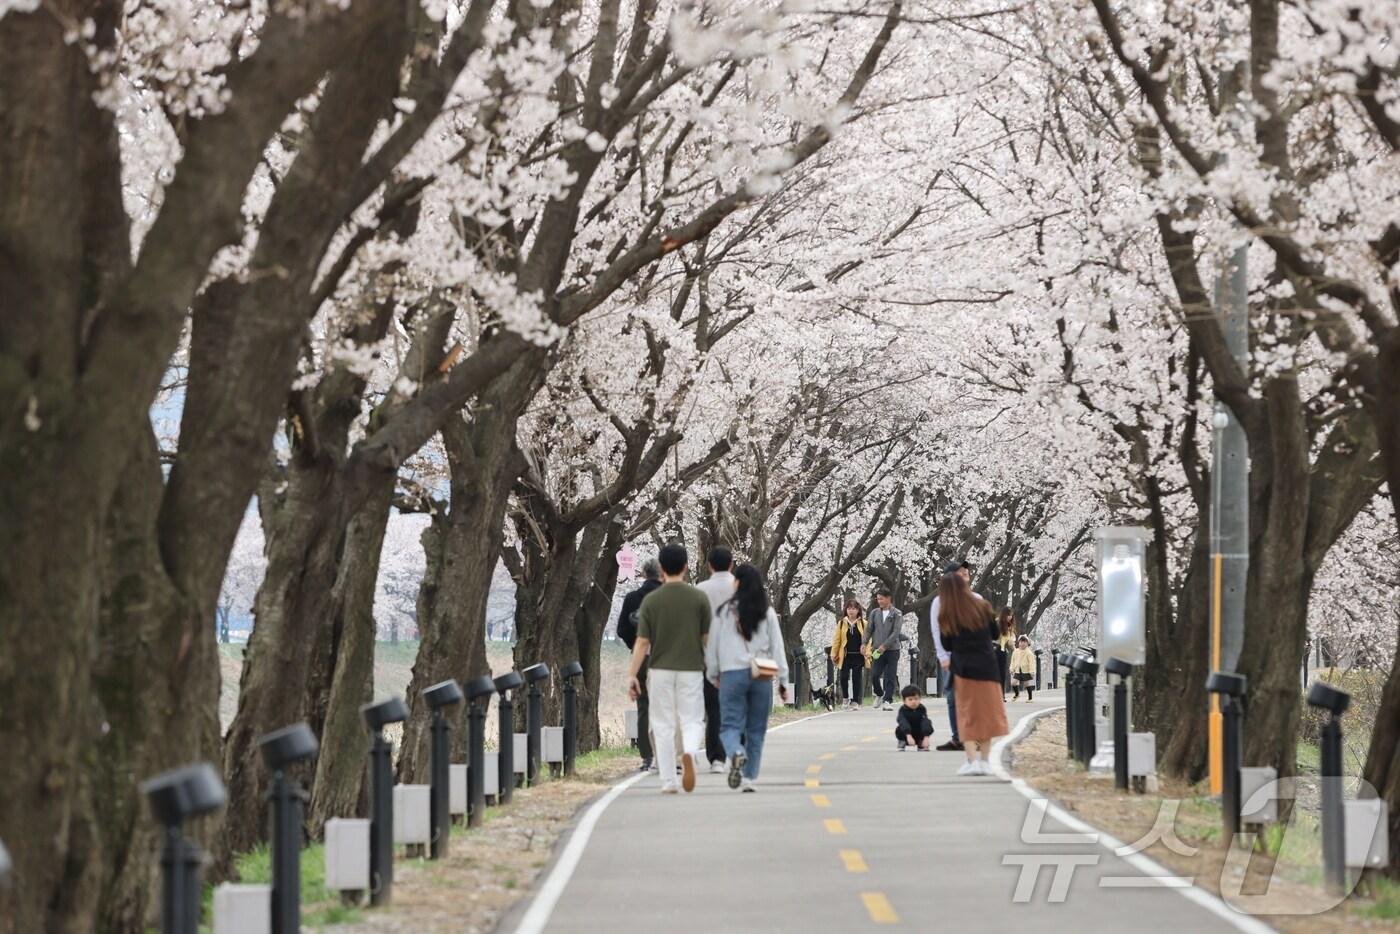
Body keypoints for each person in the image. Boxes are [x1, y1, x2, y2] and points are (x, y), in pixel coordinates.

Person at [627, 543, 711, 794]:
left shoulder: (652, 601)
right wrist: (715, 668)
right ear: (686, 567)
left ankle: (668, 781)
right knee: (693, 719)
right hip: (691, 668)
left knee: (662, 724)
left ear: (661, 569)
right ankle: (689, 752)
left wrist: (632, 674)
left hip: (659, 670)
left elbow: (642, 642)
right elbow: (707, 638)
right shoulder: (698, 597)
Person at [705, 563, 789, 792]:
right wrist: (783, 680)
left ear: (738, 583)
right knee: (756, 729)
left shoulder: (724, 612)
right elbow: (777, 647)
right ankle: (749, 778)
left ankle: (736, 753)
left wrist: (713, 673)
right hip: (761, 674)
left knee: (729, 725)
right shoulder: (768, 612)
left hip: (732, 673)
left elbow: (713, 646)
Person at [937, 571, 1009, 775]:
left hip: (965, 670)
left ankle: (971, 761)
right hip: (988, 667)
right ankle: (985, 761)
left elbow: (946, 643)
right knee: (986, 714)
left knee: (967, 714)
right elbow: (995, 633)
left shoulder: (949, 614)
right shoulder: (983, 606)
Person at [930, 559, 982, 751]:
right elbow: (936, 630)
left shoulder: (976, 599)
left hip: (972, 656)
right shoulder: (939, 602)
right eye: (960, 572)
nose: (964, 574)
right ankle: (958, 737)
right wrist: (943, 657)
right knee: (952, 697)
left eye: (966, 573)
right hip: (950, 657)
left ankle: (974, 735)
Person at [616, 558, 662, 772]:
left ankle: (647, 756)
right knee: (667, 706)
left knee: (644, 706)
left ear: (643, 574)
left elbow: (622, 628)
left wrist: (634, 646)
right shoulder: (668, 596)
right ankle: (667, 753)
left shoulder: (633, 597)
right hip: (666, 655)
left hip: (641, 657)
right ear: (661, 574)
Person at [695, 546, 736, 773]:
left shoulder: (700, 590)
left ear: (709, 565)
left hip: (707, 655)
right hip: (737, 656)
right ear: (731, 564)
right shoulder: (740, 587)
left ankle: (717, 758)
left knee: (714, 708)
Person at [868, 588, 904, 711]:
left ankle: (888, 700)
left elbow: (896, 632)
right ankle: (879, 694)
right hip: (877, 650)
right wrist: (864, 643)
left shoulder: (897, 613)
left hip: (892, 650)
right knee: (874, 675)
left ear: (888, 598)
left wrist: (885, 646)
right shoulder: (874, 613)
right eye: (878, 599)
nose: (879, 601)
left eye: (881, 599)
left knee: (890, 675)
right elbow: (869, 629)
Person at [829, 599, 870, 708]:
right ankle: (845, 698)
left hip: (858, 656)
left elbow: (868, 639)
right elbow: (837, 639)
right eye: (849, 608)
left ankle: (855, 701)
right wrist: (833, 653)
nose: (851, 611)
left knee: (857, 678)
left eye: (854, 609)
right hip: (845, 655)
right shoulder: (842, 623)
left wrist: (866, 651)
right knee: (843, 677)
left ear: (858, 610)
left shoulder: (863, 623)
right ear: (846, 610)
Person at [895, 684, 934, 750]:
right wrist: (908, 735)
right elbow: (902, 721)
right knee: (900, 728)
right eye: (910, 699)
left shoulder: (922, 709)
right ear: (904, 701)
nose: (914, 702)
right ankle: (902, 742)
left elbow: (925, 722)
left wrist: (926, 737)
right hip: (906, 734)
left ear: (920, 699)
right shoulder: (903, 710)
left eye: (916, 699)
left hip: (918, 733)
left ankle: (921, 742)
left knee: (927, 722)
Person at [995, 608, 1016, 699]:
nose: (1010, 617)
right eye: (1008, 615)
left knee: (1002, 673)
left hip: (1002, 650)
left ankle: (1001, 694)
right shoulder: (996, 623)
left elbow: (1010, 641)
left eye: (1011, 615)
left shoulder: (1009, 626)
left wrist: (1016, 650)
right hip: (994, 648)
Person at [1010, 635, 1035, 701]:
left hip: (1026, 670)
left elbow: (1031, 663)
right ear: (1018, 643)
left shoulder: (1029, 653)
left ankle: (1030, 698)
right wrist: (1012, 669)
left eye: (1024, 642)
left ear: (1027, 643)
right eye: (1021, 642)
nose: (1022, 643)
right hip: (1018, 670)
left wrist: (1032, 671)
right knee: (1013, 682)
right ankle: (1017, 694)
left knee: (1026, 683)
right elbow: (1013, 661)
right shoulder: (1015, 652)